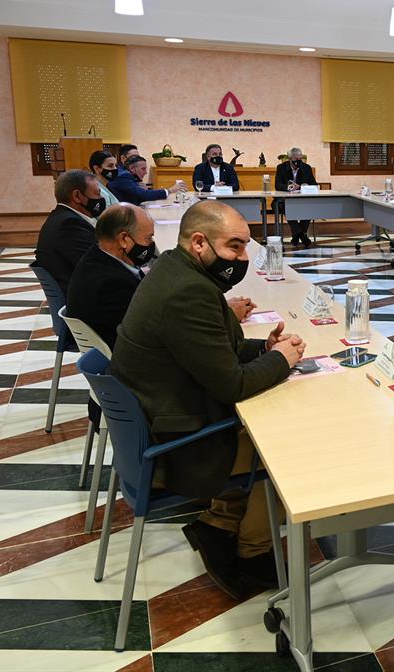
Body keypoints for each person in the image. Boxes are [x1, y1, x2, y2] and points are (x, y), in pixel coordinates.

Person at [110, 201, 306, 598]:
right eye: (234, 247)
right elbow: (231, 385)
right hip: (176, 444)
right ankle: (254, 555)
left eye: (246, 246)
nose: (243, 258)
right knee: (281, 444)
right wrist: (281, 361)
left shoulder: (174, 269)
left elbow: (212, 348)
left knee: (262, 426)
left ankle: (218, 524)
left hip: (159, 418)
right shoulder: (188, 292)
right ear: (199, 242)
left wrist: (262, 349)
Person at [66, 203, 155, 350]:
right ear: (123, 240)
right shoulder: (112, 285)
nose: (151, 244)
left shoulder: (96, 256)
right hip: (125, 358)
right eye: (149, 238)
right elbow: (147, 330)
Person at [34, 169, 104, 293]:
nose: (101, 198)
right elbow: (98, 267)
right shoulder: (69, 225)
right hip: (86, 300)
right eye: (97, 194)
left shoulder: (63, 217)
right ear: (77, 196)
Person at [275, 147, 318, 247]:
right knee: (287, 207)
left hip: (303, 199)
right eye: (295, 160)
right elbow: (277, 185)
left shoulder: (307, 168)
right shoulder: (281, 168)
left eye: (300, 159)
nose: (298, 162)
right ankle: (301, 235)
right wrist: (289, 187)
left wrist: (304, 186)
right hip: (286, 199)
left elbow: (314, 184)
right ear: (289, 159)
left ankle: (296, 235)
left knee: (309, 207)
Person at [111, 155, 185, 204]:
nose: (146, 173)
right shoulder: (124, 177)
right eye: (143, 169)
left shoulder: (128, 176)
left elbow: (142, 195)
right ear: (132, 168)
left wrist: (142, 190)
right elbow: (145, 195)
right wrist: (170, 190)